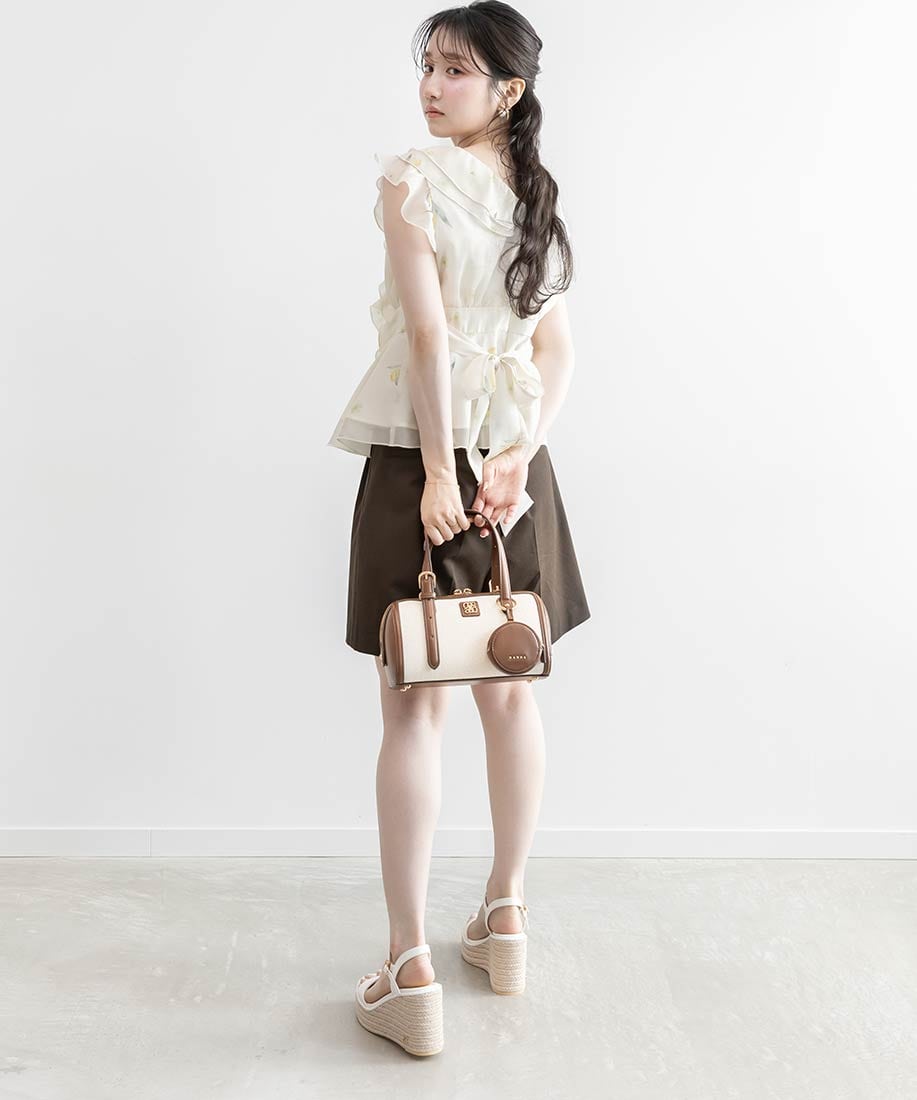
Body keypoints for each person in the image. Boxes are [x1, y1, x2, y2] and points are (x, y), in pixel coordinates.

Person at [327, 1, 590, 1056]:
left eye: (454, 71)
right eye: (427, 66)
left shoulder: (411, 181)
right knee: (510, 697)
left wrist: (444, 472)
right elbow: (556, 350)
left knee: (410, 715)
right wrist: (518, 455)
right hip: (516, 478)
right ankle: (505, 914)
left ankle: (408, 965)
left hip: (421, 463)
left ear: (507, 90)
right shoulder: (538, 197)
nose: (430, 88)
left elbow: (430, 337)